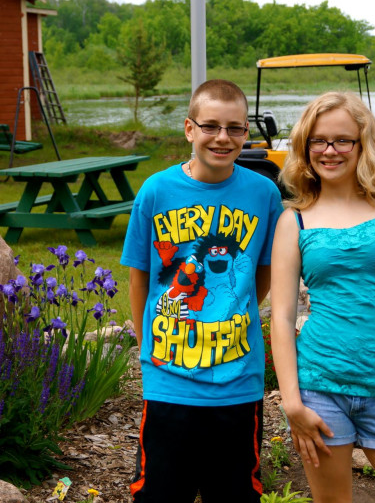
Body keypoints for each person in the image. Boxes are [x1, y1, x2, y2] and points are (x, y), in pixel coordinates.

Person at [269, 91, 375, 503]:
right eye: (318, 140)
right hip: (320, 391)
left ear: (362, 144)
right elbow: (281, 316)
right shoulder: (293, 220)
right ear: (305, 146)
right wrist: (292, 402)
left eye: (341, 140)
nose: (329, 151)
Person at [121, 79, 283, 502]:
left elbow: (262, 272)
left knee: (234, 493)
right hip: (168, 379)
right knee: (159, 492)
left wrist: (231, 304)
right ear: (189, 129)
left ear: (246, 132)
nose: (222, 137)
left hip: (237, 381)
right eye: (210, 126)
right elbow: (139, 276)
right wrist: (146, 339)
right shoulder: (156, 191)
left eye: (234, 127)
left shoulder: (264, 193)